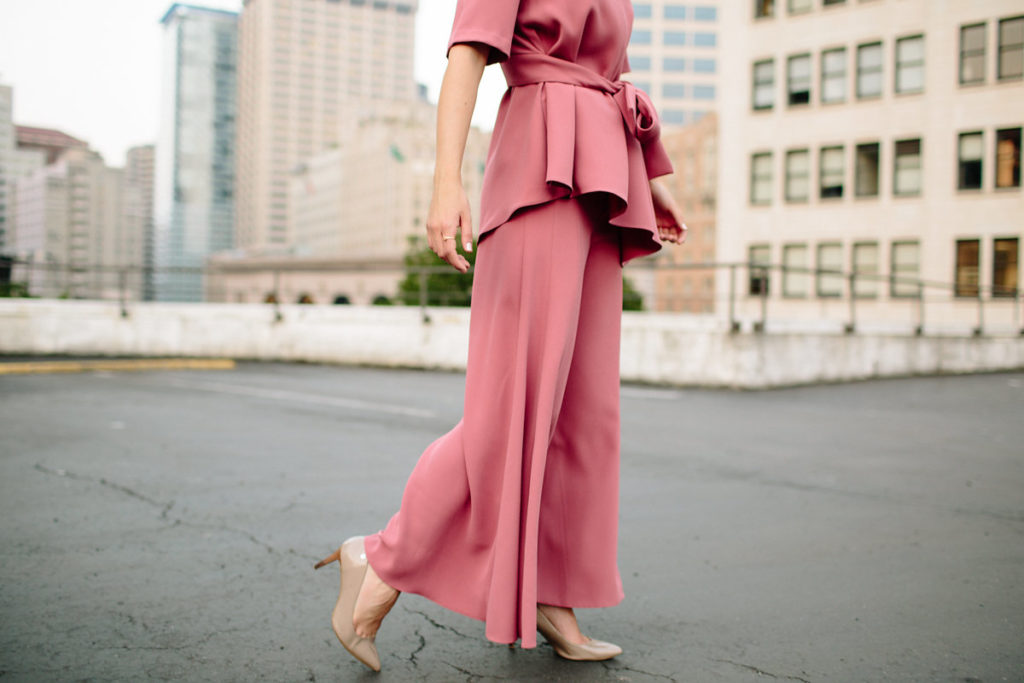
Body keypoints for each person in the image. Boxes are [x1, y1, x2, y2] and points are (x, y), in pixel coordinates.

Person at [314, 0, 687, 672]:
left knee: (581, 413)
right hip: (537, 176)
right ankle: (380, 556)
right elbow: (467, 56)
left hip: (603, 188)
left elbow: (606, 80)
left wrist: (648, 179)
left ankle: (553, 591)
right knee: (508, 415)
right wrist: (445, 183)